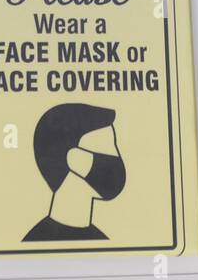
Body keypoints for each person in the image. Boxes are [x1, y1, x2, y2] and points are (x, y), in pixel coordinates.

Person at [23, 103, 126, 241]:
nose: (115, 158)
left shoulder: (101, 240)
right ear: (75, 160)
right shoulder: (36, 240)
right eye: (106, 148)